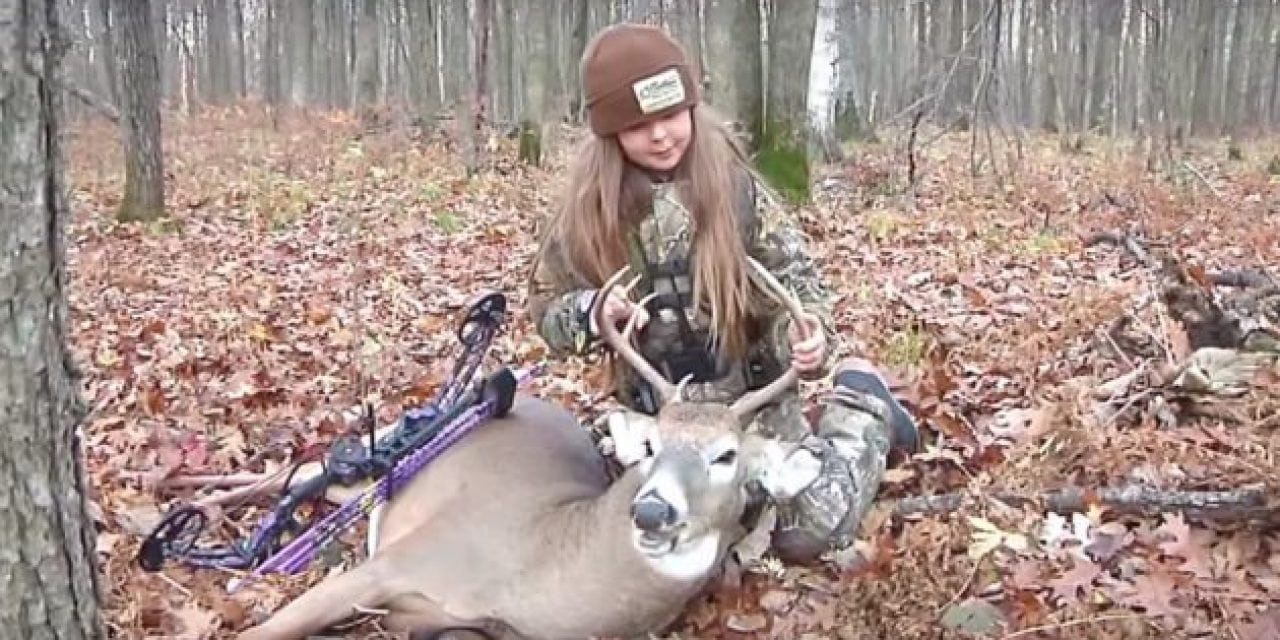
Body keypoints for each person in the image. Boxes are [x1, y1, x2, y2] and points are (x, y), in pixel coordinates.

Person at [525, 23, 920, 564]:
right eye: (639, 126)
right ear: (610, 133)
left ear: (691, 107)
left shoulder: (736, 191)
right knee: (604, 532)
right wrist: (591, 312)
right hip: (656, 424)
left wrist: (805, 336)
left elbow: (800, 283)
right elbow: (545, 309)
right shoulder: (586, 215)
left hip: (749, 414)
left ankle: (862, 405)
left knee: (815, 530)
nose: (661, 135)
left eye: (670, 116)